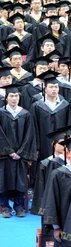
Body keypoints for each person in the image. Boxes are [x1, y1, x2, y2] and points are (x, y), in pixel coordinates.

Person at [0, 84, 37, 218]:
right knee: (3, 181)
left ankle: (19, 206)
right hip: (4, 155)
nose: (14, 98)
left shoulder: (25, 114)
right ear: (6, 97)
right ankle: (5, 207)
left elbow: (30, 135)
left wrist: (20, 152)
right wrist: (9, 151)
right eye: (11, 96)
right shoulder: (1, 113)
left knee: (20, 182)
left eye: (16, 96)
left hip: (20, 156)